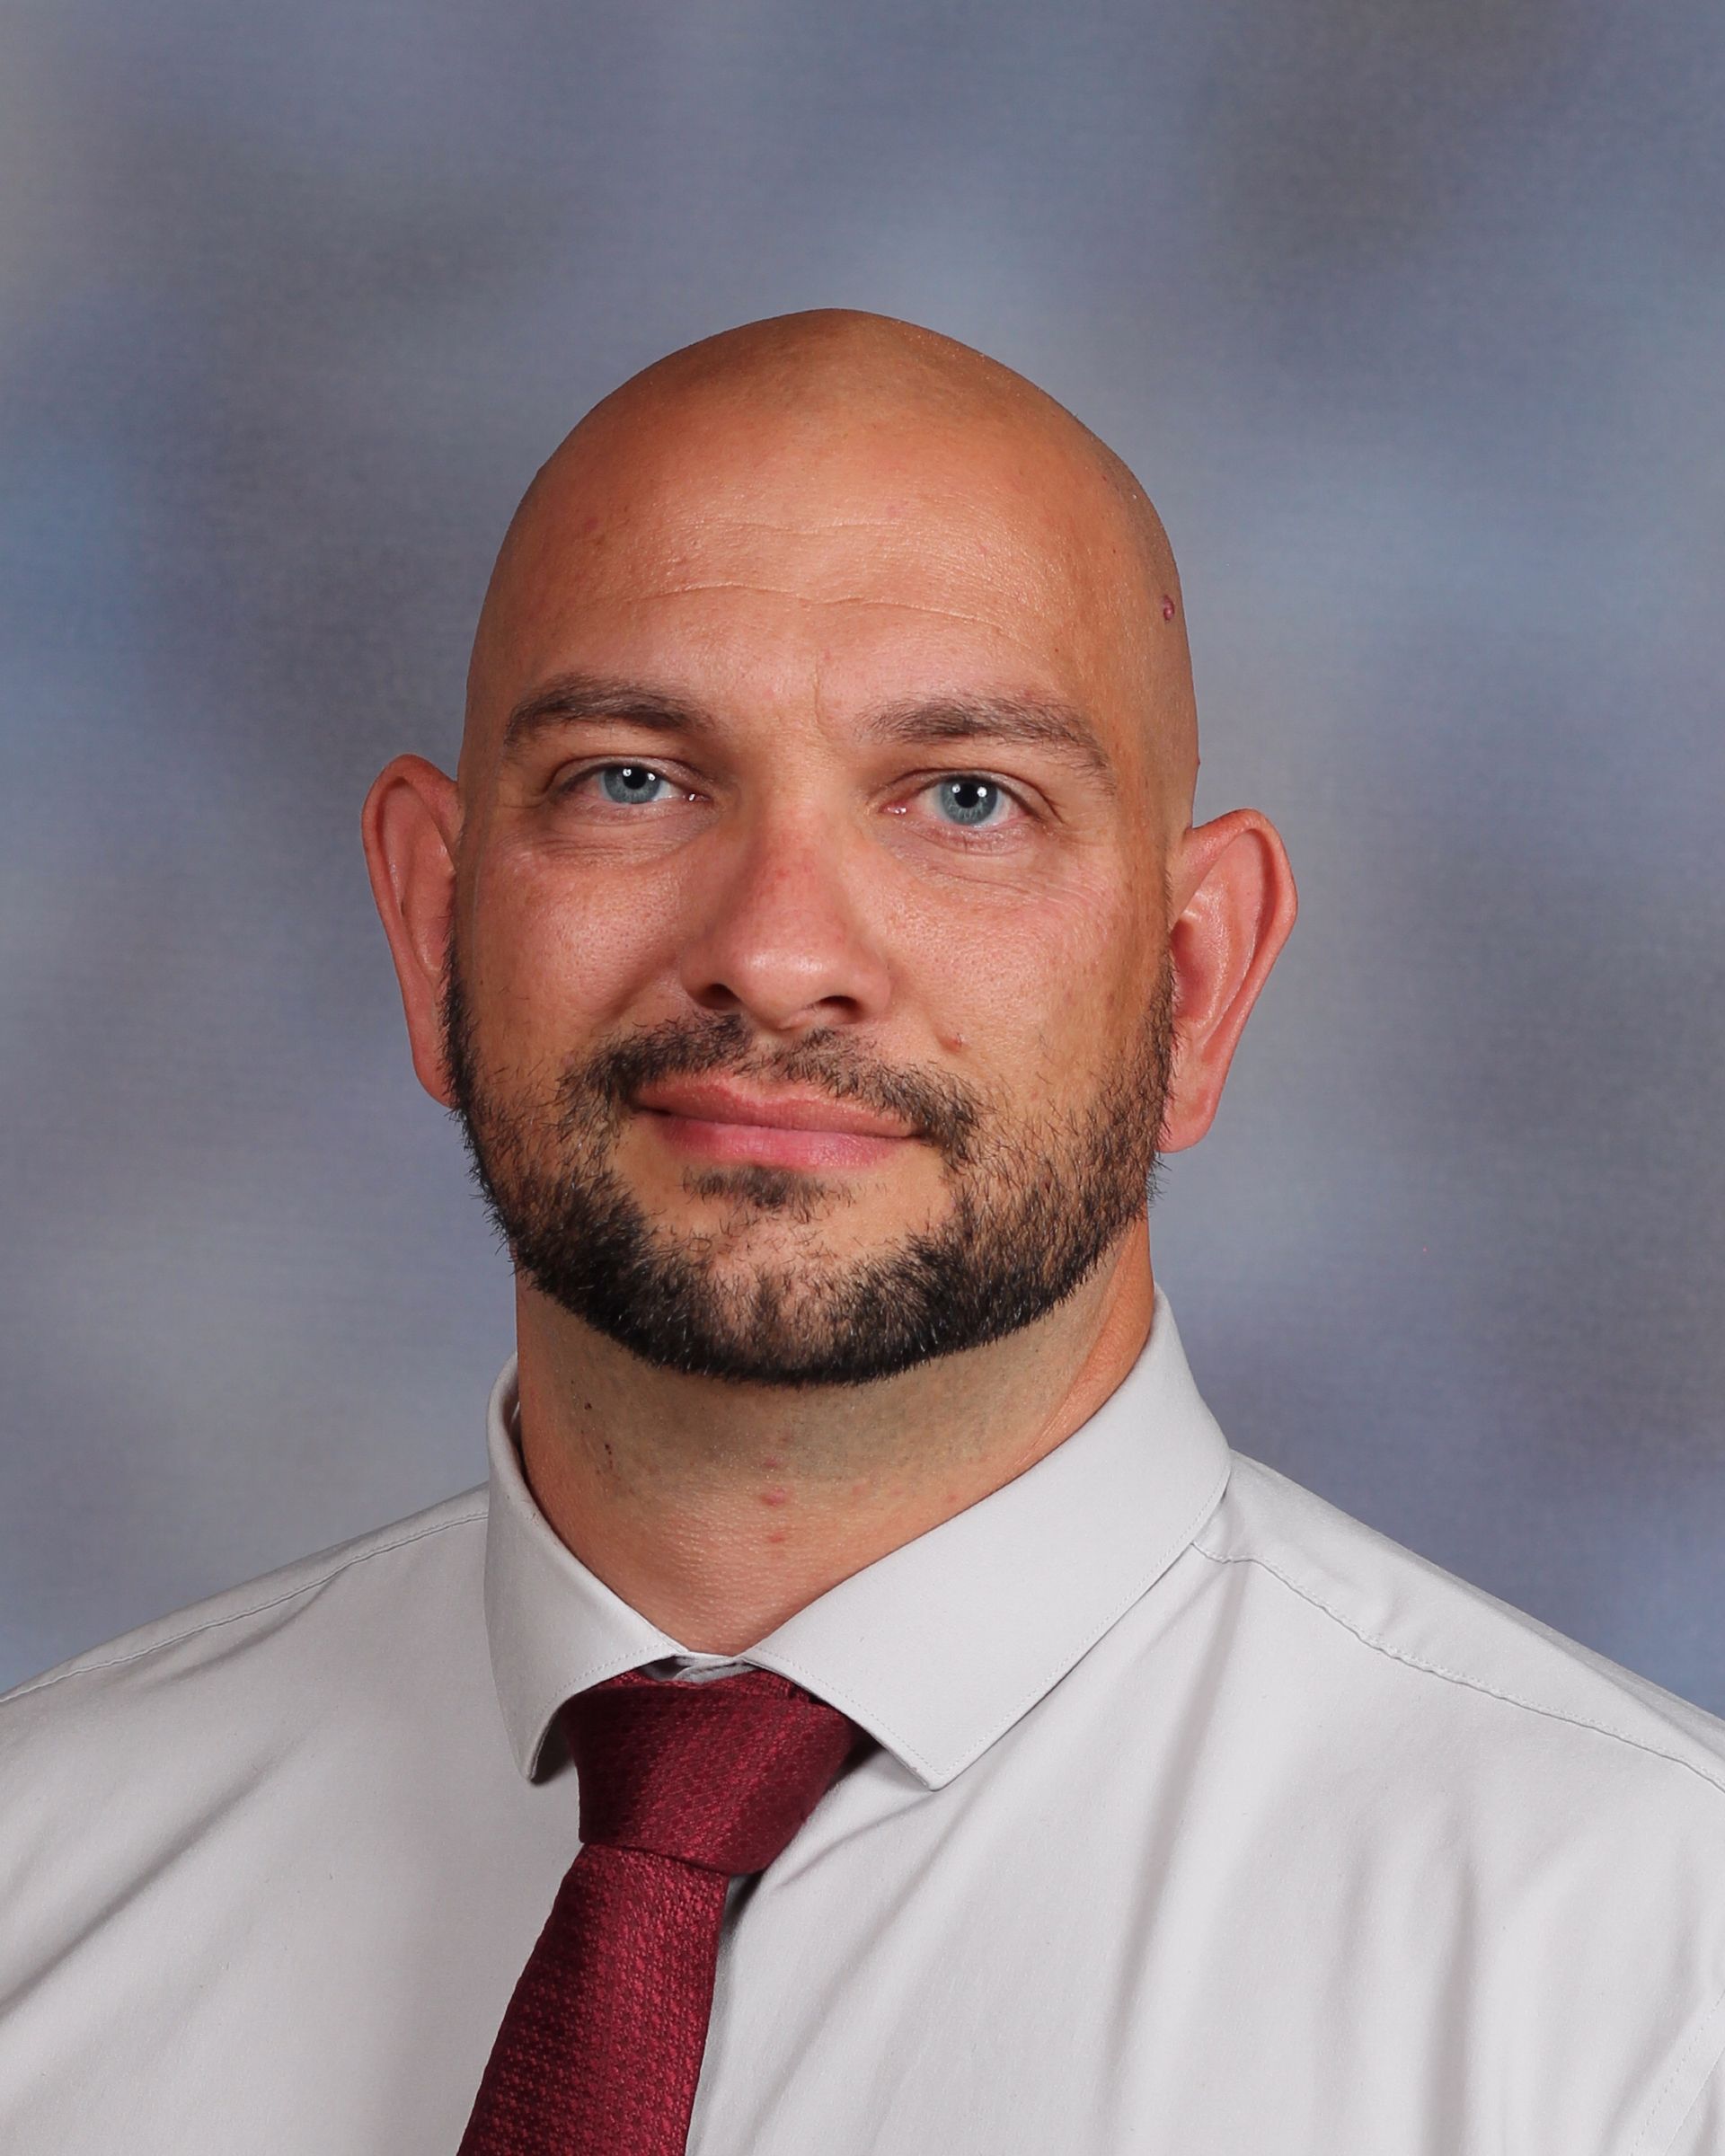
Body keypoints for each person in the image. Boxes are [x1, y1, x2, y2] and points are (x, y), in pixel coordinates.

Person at [2, 311, 1721, 2156]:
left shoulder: (1643, 1979)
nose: (780, 948)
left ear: (1196, 980)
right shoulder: (43, 1880)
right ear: (433, 928)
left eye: (966, 799)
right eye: (632, 779)